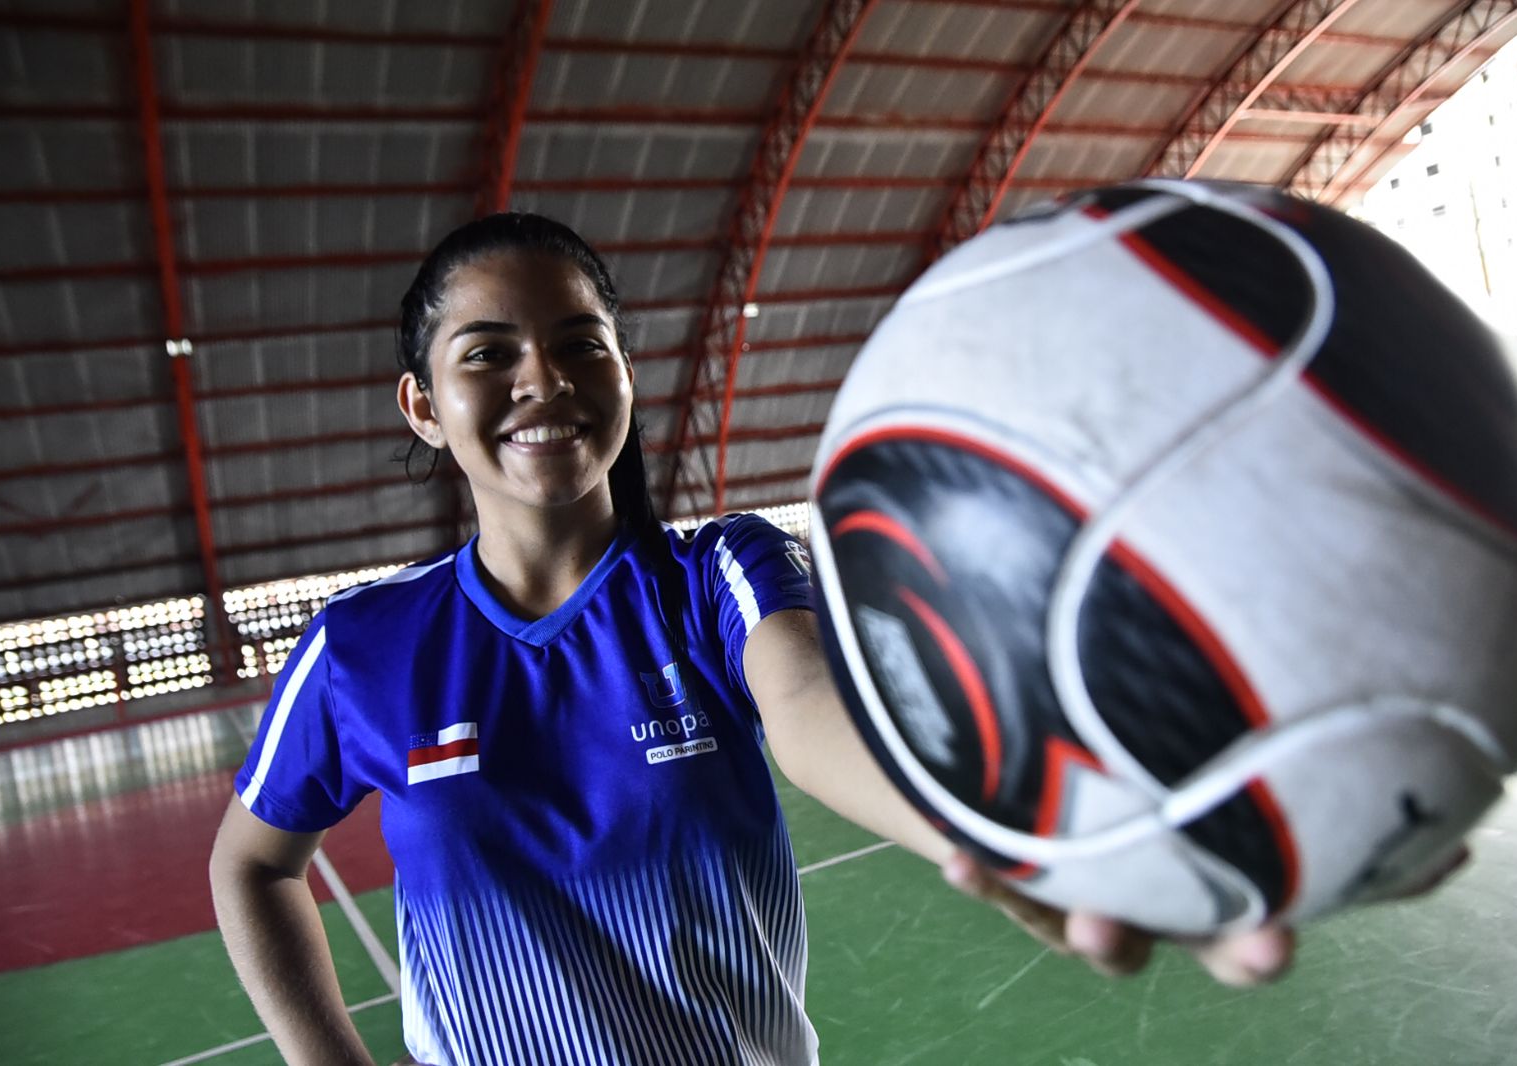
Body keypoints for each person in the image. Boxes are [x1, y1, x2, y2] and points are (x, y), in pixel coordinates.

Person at [209, 212, 1296, 1066]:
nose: (541, 377)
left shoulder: (716, 573)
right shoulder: (364, 647)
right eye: (487, 353)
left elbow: (809, 710)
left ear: (624, 374)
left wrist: (987, 828)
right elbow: (252, 866)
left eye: (580, 342)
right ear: (421, 405)